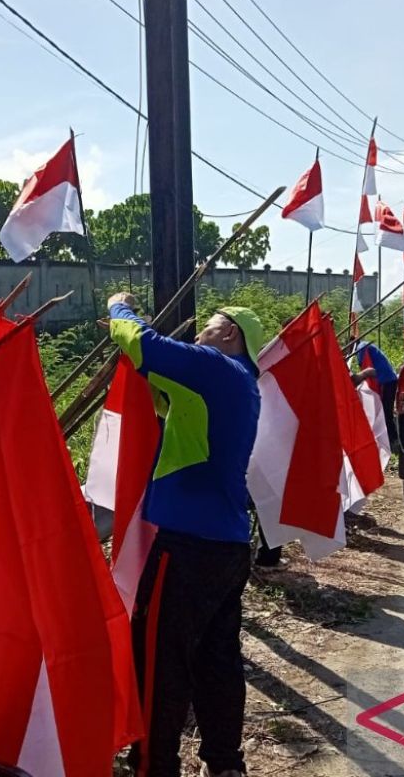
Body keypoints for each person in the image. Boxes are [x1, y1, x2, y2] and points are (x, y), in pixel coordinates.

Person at [106, 291, 263, 777]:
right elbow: (163, 392)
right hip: (226, 546)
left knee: (158, 662)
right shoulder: (239, 385)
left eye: (209, 325)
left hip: (188, 548)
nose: (199, 332)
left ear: (230, 334)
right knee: (217, 661)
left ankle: (154, 767)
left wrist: (119, 308)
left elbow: (143, 345)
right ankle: (225, 764)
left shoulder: (215, 369)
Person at [351, 338, 398, 443]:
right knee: (386, 411)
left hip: (385, 380)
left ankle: (390, 439)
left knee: (385, 411)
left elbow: (368, 370)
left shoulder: (361, 348)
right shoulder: (366, 345)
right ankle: (392, 437)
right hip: (390, 379)